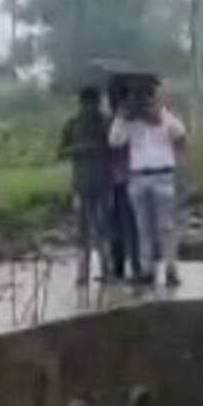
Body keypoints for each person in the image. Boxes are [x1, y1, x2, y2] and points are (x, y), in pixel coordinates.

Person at [108, 82, 188, 288]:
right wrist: (121, 117)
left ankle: (170, 269)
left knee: (165, 227)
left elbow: (180, 133)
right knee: (144, 227)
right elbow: (115, 141)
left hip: (161, 175)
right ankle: (148, 270)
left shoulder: (165, 118)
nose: (143, 103)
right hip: (139, 176)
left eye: (147, 98)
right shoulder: (130, 122)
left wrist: (159, 114)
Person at [58, 86, 116, 286]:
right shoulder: (72, 125)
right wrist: (83, 148)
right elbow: (61, 152)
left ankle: (103, 270)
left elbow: (115, 146)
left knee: (100, 228)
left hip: (98, 182)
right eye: (88, 105)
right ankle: (85, 272)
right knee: (86, 229)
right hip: (87, 183)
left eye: (92, 105)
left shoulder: (105, 124)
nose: (90, 109)